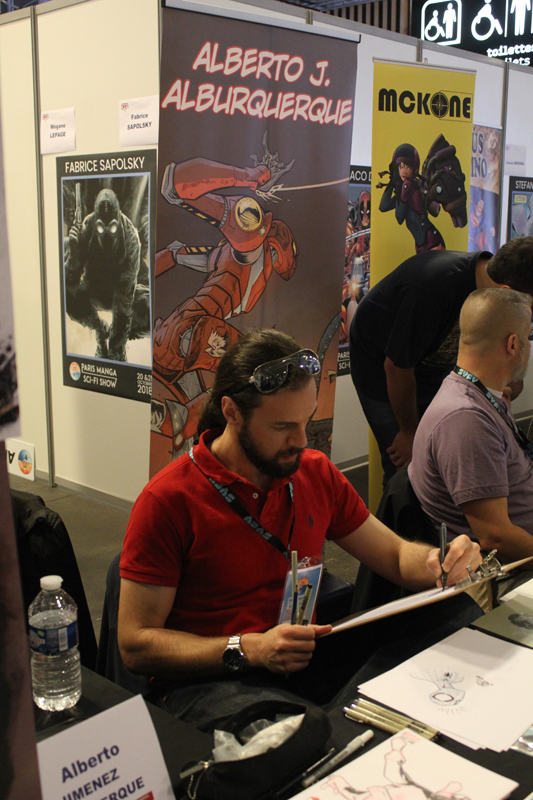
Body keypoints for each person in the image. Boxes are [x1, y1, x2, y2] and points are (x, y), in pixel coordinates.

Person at [118, 328, 481, 730]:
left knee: (455, 616)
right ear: (232, 412)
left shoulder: (313, 472)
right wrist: (250, 649)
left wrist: (436, 562)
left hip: (296, 658)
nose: (301, 440)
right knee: (302, 736)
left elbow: (394, 555)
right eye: (282, 427)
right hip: (211, 676)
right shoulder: (168, 499)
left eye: (306, 421)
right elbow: (136, 644)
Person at [349, 237, 533, 482]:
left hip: (427, 361)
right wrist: (409, 432)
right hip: (381, 363)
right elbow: (397, 367)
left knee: (441, 453)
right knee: (407, 465)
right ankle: (398, 501)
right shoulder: (435, 287)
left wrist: (504, 389)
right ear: (507, 292)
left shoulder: (494, 288)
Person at [409, 289, 533, 568]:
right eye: (528, 337)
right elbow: (496, 538)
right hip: (513, 574)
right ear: (513, 344)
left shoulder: (482, 395)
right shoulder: (466, 419)